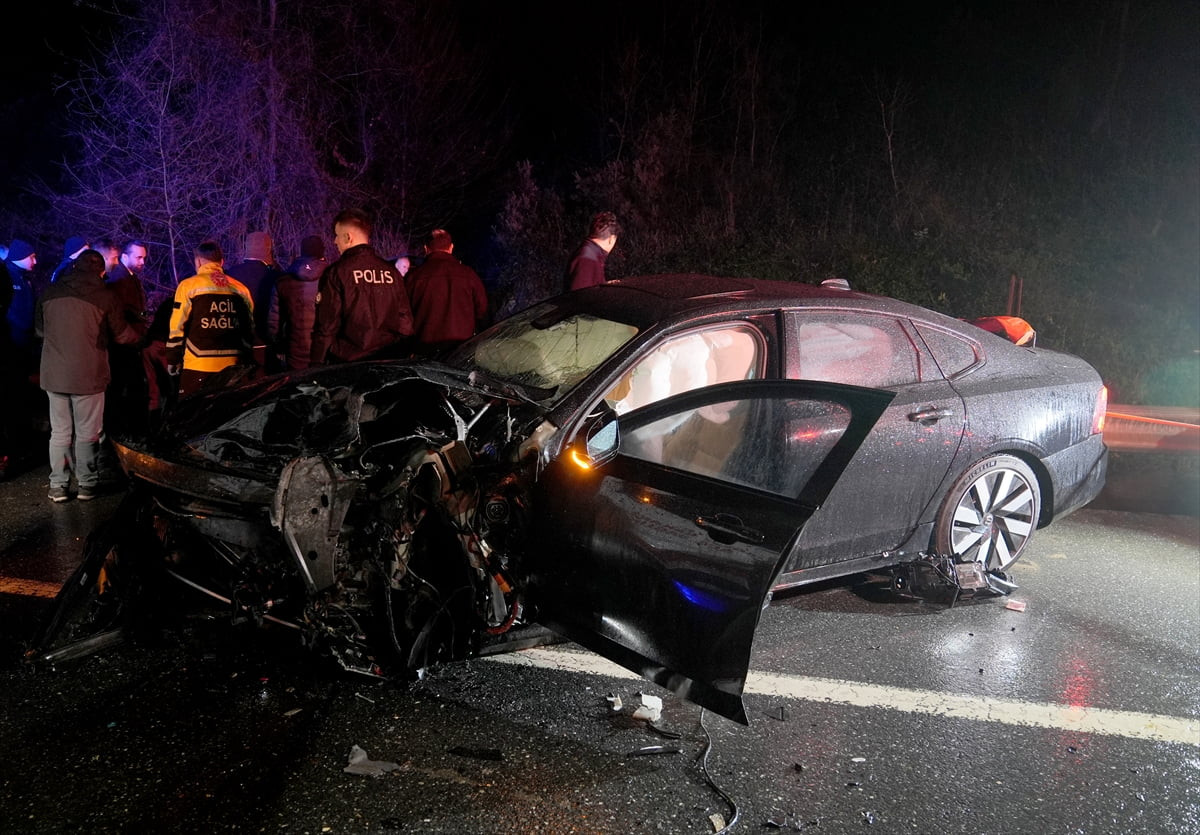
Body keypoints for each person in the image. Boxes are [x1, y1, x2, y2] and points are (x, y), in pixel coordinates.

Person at [35, 250, 138, 501]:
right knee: (87, 432)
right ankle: (87, 484)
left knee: (59, 432)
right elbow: (123, 335)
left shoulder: (50, 292)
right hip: (89, 375)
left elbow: (39, 331)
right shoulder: (106, 296)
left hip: (54, 374)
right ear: (101, 271)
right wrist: (141, 336)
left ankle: (58, 485)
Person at [310, 208, 413, 365]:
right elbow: (405, 322)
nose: (334, 241)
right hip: (387, 361)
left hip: (348, 364)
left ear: (348, 237)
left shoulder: (336, 273)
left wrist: (316, 366)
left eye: (337, 236)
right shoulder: (392, 272)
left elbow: (326, 327)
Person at [166, 241, 257, 397]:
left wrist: (173, 358)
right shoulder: (241, 289)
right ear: (221, 262)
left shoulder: (188, 286)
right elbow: (249, 328)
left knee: (193, 415)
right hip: (233, 367)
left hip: (198, 364)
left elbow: (177, 326)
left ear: (199, 261)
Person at [405, 228, 489, 356]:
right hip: (460, 349)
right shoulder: (468, 275)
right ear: (451, 248)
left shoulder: (413, 277)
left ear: (426, 248)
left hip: (424, 350)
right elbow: (482, 311)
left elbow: (403, 315)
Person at [105, 240, 151, 438]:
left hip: (131, 341)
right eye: (138, 257)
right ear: (125, 256)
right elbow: (120, 311)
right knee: (125, 387)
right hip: (124, 344)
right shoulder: (119, 280)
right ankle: (125, 431)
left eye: (144, 258)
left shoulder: (129, 277)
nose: (142, 262)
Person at [268, 234, 326, 371]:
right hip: (324, 352)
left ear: (301, 252)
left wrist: (277, 345)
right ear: (322, 253)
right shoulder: (332, 277)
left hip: (294, 351)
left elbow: (273, 321)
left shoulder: (283, 280)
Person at [226, 230, 281, 344]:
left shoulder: (230, 274)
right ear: (268, 249)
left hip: (236, 339)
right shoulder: (275, 276)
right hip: (265, 340)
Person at [564, 211, 620, 292]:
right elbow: (579, 297)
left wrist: (605, 285)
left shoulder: (589, 253)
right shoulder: (588, 259)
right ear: (612, 239)